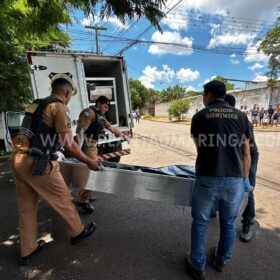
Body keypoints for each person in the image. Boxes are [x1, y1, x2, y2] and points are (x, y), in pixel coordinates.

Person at [9, 74, 101, 266]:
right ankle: (77, 232)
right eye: (70, 96)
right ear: (66, 93)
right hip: (37, 163)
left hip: (17, 159)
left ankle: (28, 249)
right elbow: (69, 144)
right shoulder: (60, 107)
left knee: (26, 207)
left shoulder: (34, 104)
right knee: (63, 198)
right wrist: (88, 161)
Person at [186, 81, 251, 280]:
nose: (203, 99)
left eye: (204, 95)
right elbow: (246, 151)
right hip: (234, 179)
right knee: (229, 223)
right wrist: (245, 179)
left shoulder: (199, 116)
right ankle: (221, 260)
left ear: (210, 95)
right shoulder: (241, 116)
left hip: (207, 177)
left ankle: (197, 265)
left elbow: (200, 146)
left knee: (200, 222)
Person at [75, 95, 126, 213]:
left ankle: (85, 195)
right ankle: (83, 201)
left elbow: (111, 128)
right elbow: (80, 131)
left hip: (93, 146)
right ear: (98, 104)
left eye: (107, 107)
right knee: (93, 171)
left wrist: (123, 135)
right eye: (105, 106)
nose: (106, 109)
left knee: (90, 171)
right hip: (87, 145)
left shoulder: (101, 117)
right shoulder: (89, 113)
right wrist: (77, 149)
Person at [224, 94, 259, 242]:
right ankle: (214, 207)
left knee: (247, 188)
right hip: (234, 155)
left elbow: (246, 150)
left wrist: (244, 176)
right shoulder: (223, 118)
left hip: (248, 156)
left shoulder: (241, 118)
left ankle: (248, 221)